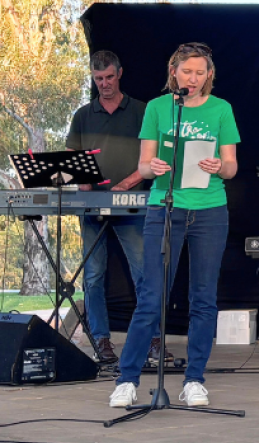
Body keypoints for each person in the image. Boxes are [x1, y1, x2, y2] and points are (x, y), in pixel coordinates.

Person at [108, 43, 239, 408]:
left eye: (200, 73)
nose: (193, 79)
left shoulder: (221, 109)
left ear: (209, 75)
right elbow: (145, 163)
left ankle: (194, 379)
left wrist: (218, 166)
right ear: (174, 72)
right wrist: (155, 169)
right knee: (152, 297)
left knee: (203, 298)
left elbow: (232, 166)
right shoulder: (157, 107)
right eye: (187, 72)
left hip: (209, 209)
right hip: (164, 209)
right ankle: (127, 380)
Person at [65, 50, 147, 364]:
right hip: (93, 206)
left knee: (143, 274)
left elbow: (156, 158)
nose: (105, 84)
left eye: (109, 77)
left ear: (120, 73)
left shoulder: (141, 111)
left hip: (131, 204)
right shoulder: (83, 115)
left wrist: (125, 185)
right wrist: (85, 188)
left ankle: (149, 339)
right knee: (94, 276)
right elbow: (74, 161)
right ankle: (101, 340)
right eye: (98, 79)